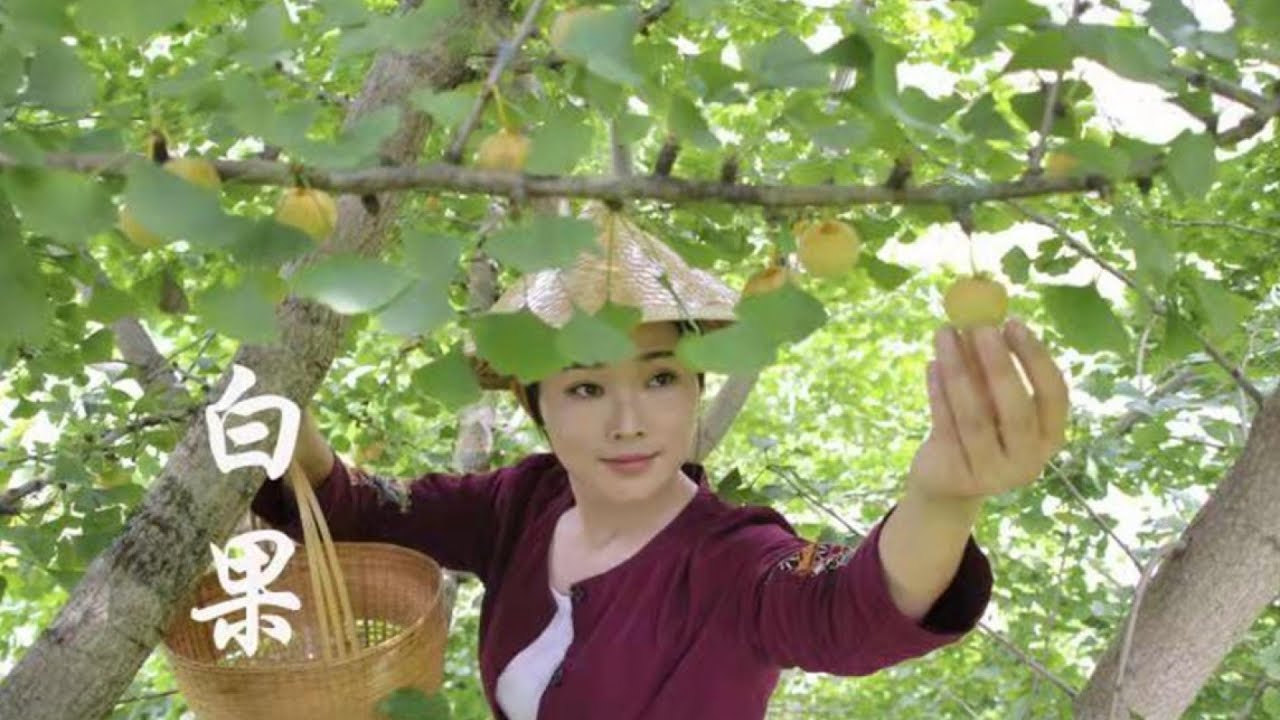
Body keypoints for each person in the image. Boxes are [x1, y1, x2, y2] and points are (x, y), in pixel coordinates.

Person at [252, 203, 1069, 719]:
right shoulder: (520, 503)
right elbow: (355, 509)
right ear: (534, 406)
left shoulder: (734, 560)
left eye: (661, 378)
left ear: (693, 387)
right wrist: (276, 397)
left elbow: (846, 609)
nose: (631, 421)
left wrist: (942, 499)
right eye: (584, 390)